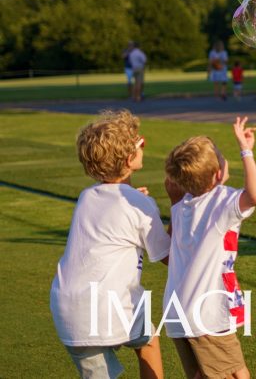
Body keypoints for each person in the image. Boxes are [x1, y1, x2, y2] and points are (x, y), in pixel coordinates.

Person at [50, 110, 170, 379]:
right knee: (149, 341)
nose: (144, 145)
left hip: (68, 310)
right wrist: (177, 205)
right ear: (129, 159)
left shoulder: (86, 197)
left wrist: (135, 200)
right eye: (139, 144)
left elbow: (112, 210)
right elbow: (169, 256)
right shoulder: (140, 205)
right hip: (107, 307)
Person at [163, 116, 256, 379]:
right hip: (207, 311)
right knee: (236, 372)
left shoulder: (183, 204)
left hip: (178, 311)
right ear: (218, 173)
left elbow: (170, 248)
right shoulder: (221, 202)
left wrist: (173, 199)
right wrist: (246, 150)